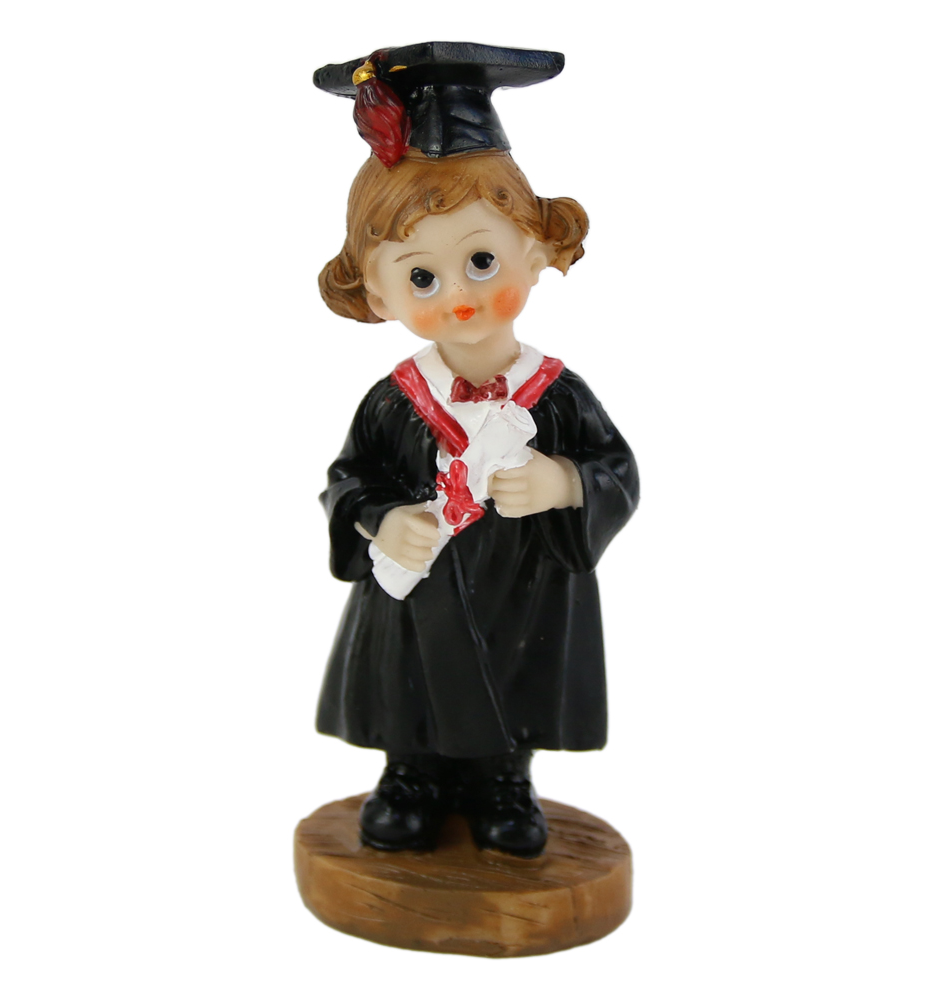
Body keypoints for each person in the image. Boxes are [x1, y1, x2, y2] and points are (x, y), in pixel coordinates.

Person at [313, 42, 639, 857]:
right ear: (376, 290)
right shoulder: (396, 400)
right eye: (421, 277)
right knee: (415, 684)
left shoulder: (556, 395)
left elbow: (618, 471)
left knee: (513, 675)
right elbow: (348, 479)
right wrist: (380, 519)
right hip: (422, 589)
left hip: (523, 587)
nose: (459, 295)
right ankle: (412, 774)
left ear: (535, 249)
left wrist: (566, 483)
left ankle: (503, 780)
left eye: (482, 260)